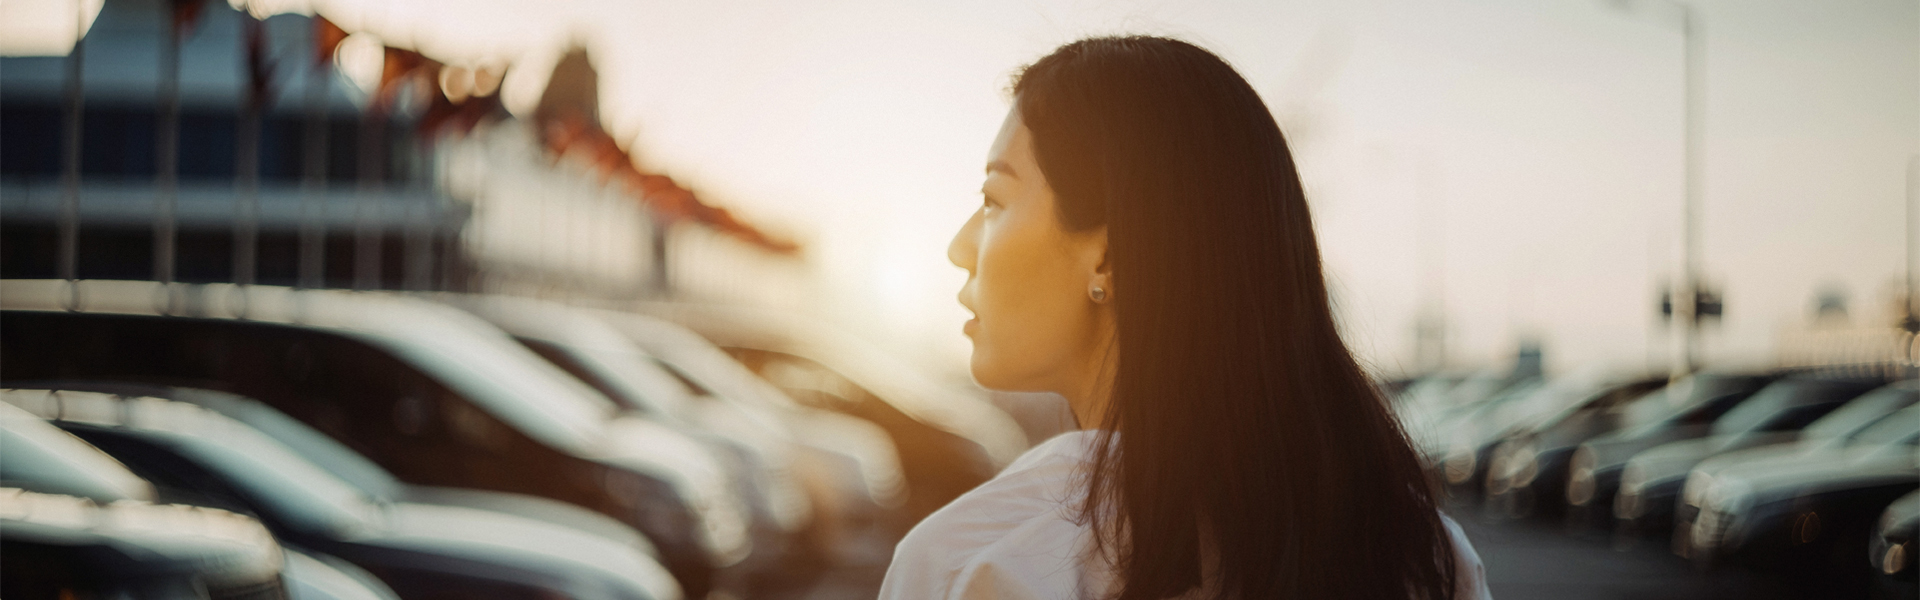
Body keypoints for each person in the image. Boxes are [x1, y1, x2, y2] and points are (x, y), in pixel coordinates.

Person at [877, 36, 1491, 600]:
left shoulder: (975, 564)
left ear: (1110, 256)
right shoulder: (1425, 555)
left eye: (993, 200)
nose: (960, 247)